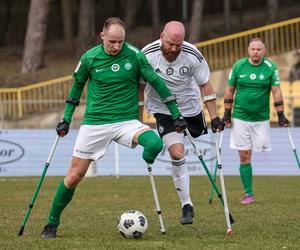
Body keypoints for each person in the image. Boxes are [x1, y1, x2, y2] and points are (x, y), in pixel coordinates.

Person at [40, 17, 187, 238]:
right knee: (73, 177)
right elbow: (77, 87)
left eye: (120, 42)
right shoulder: (89, 58)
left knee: (155, 143)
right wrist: (67, 118)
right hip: (95, 123)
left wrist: (176, 114)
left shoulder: (135, 55)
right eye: (112, 42)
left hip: (126, 122)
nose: (116, 46)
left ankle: (147, 160)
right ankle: (52, 223)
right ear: (102, 36)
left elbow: (157, 83)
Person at [140, 21, 225, 225]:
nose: (174, 49)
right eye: (170, 44)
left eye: (178, 45)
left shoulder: (192, 54)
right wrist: (138, 121)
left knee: (193, 143)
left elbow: (205, 85)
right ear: (162, 36)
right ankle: (187, 205)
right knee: (177, 152)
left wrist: (214, 117)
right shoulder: (147, 54)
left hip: (191, 110)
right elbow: (139, 87)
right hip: (164, 111)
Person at [223, 37, 289, 205]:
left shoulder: (270, 67)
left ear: (264, 51)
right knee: (245, 154)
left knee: (259, 152)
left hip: (261, 119)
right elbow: (230, 90)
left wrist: (281, 115)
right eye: (253, 49)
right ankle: (248, 194)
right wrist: (226, 114)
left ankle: (251, 191)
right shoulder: (238, 66)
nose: (256, 52)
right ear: (248, 50)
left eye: (259, 49)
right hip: (240, 118)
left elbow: (276, 91)